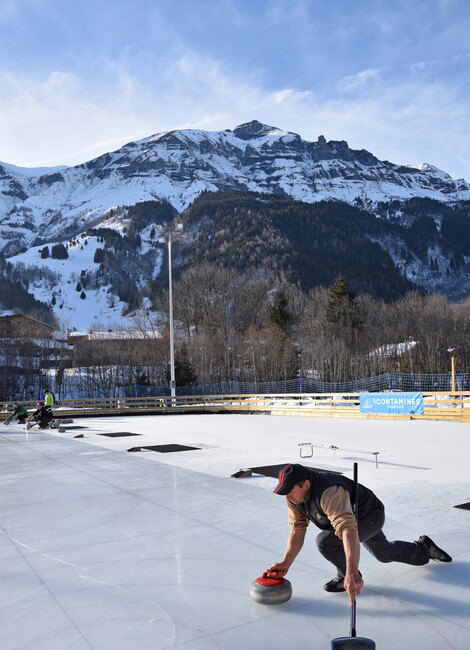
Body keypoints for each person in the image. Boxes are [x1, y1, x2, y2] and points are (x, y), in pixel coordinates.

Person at [266, 463, 452, 604]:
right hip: (346, 520)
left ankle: (345, 575)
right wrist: (285, 563)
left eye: (290, 491)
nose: (287, 497)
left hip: (369, 515)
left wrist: (352, 572)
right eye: (284, 492)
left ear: (306, 484)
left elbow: (348, 530)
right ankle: (424, 548)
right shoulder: (294, 498)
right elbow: (297, 530)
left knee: (326, 541)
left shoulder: (330, 492)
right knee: (384, 553)